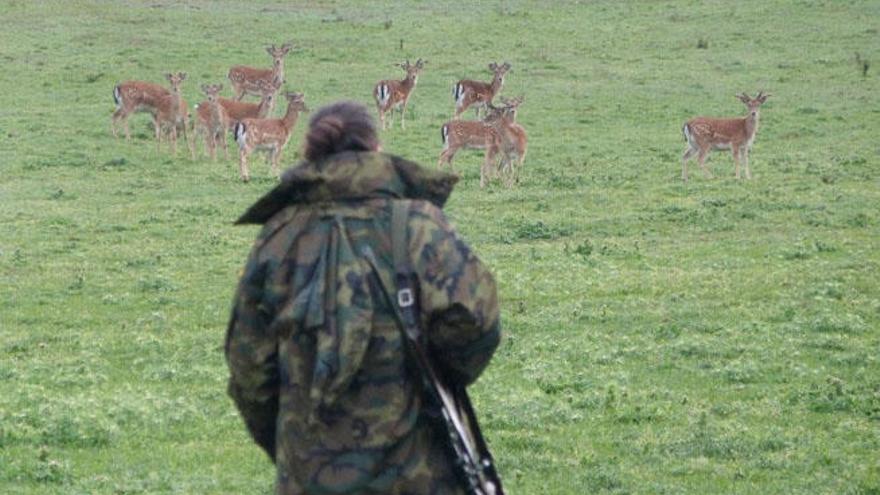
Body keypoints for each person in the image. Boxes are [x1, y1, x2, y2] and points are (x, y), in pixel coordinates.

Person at [225, 101, 501, 494]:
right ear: (375, 149)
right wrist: (435, 375)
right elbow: (477, 327)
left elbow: (250, 370)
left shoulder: (278, 238)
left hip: (312, 479)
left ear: (310, 155)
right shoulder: (419, 226)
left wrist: (296, 444)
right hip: (420, 476)